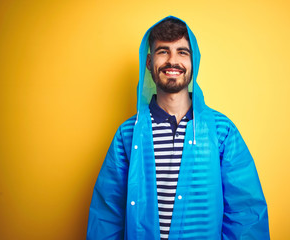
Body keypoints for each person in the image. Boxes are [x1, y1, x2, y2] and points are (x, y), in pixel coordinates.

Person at [87, 16, 270, 240]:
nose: (172, 60)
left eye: (182, 52)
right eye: (163, 51)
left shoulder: (221, 131)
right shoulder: (128, 134)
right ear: (148, 62)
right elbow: (107, 215)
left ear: (194, 62)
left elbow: (246, 213)